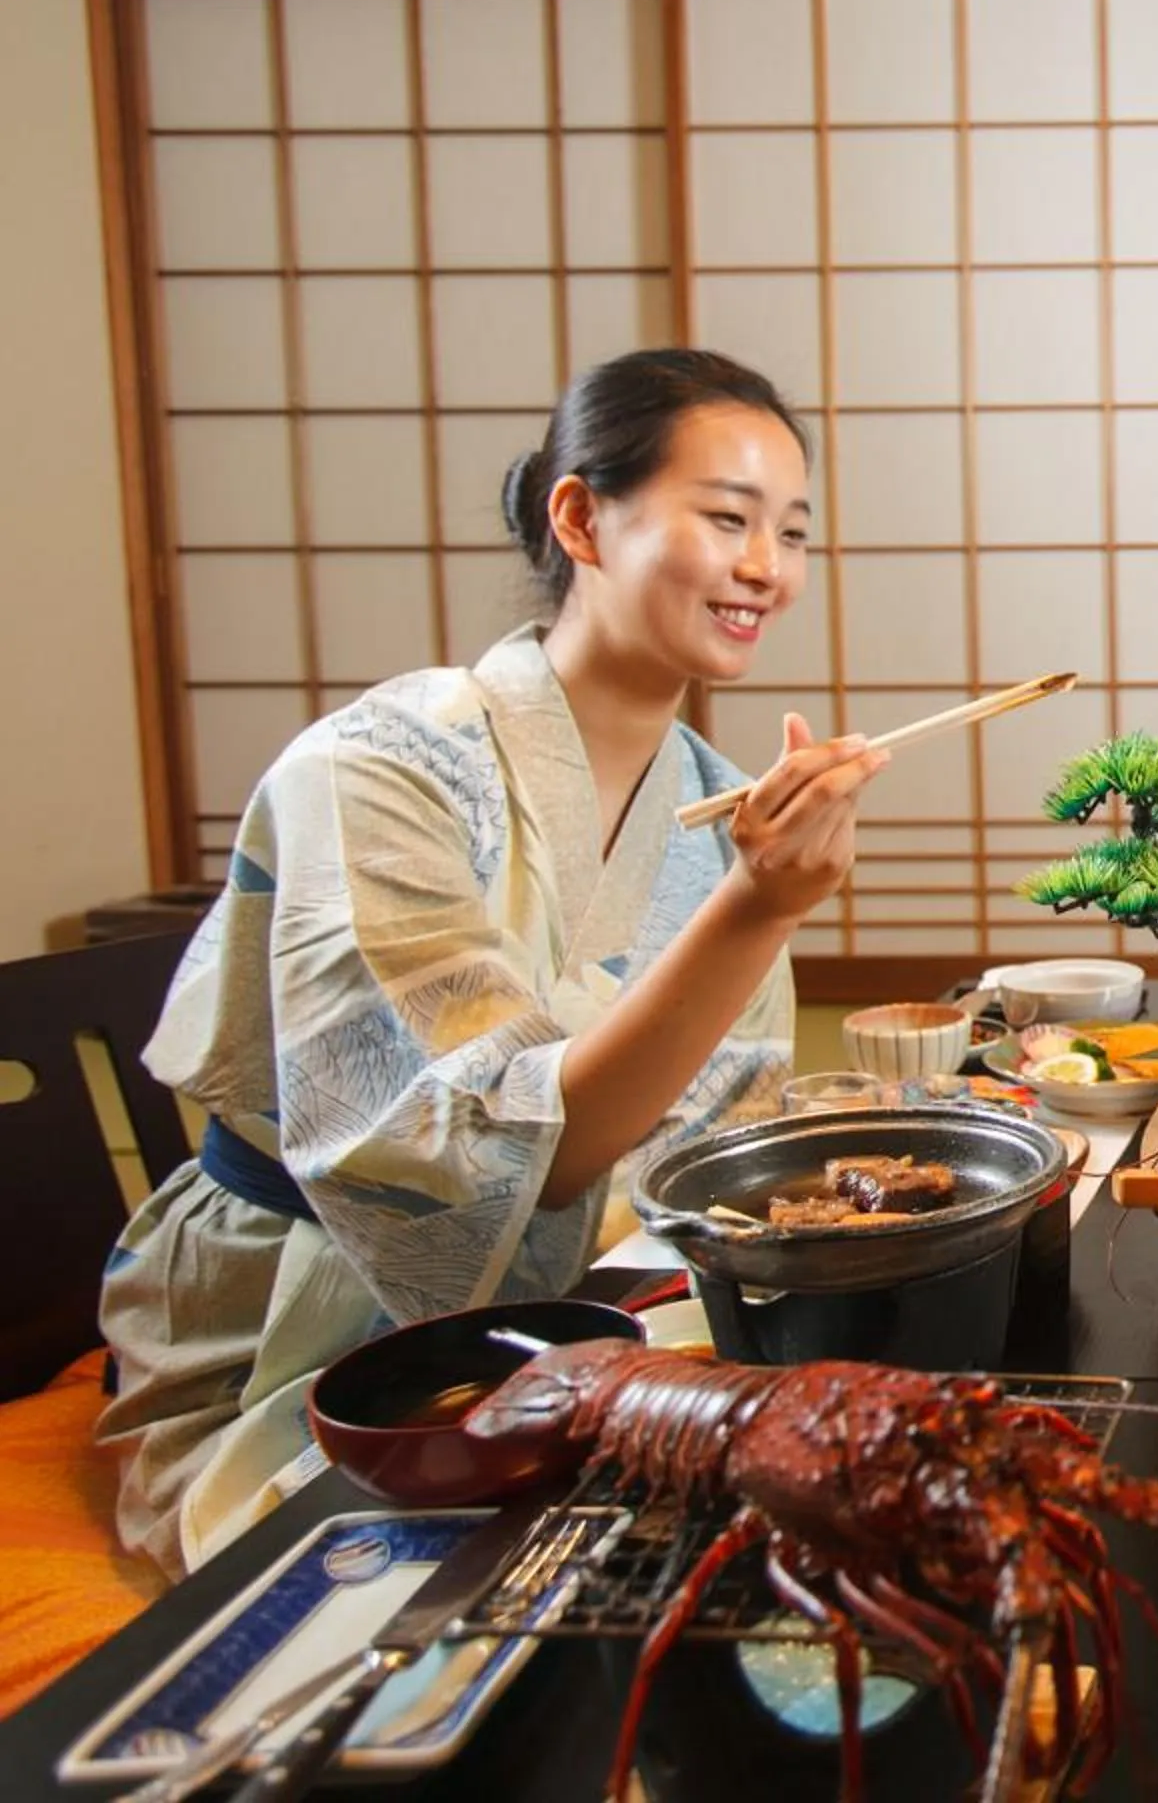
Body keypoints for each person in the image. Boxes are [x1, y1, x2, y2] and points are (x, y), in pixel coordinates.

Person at [98, 349, 889, 1578]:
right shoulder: (380, 768)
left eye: (791, 532)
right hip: (298, 1320)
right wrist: (757, 908)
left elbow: (701, 1144)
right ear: (580, 516)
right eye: (728, 518)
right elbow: (501, 1152)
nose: (766, 568)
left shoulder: (714, 806)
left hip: (567, 1304)